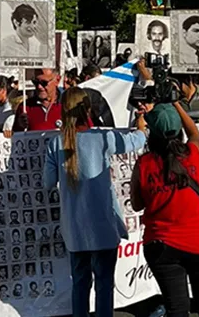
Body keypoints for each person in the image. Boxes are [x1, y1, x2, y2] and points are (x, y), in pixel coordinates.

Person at [43, 87, 148, 317]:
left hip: (75, 229)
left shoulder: (55, 144)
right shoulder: (102, 138)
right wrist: (140, 125)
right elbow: (136, 141)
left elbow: (48, 182)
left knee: (80, 285)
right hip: (103, 226)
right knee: (104, 286)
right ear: (87, 109)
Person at [130, 102, 199, 317]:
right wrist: (175, 103)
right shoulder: (191, 153)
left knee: (177, 309)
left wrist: (140, 123)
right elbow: (194, 132)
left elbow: (137, 205)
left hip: (162, 245)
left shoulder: (144, 164)